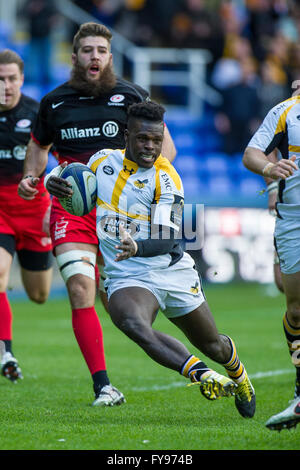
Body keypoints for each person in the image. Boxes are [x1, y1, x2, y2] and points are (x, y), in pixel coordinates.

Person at [18, 22, 176, 407]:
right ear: (74, 57)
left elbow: (166, 151)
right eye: (87, 50)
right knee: (78, 289)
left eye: (101, 51)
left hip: (119, 213)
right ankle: (103, 385)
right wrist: (30, 177)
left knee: (126, 311)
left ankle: (190, 362)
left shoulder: (131, 98)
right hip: (71, 209)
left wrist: (136, 189)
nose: (94, 57)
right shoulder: (53, 103)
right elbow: (39, 147)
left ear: (110, 56)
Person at [80, 100, 254, 417]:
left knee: (212, 344)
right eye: (143, 139)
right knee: (131, 322)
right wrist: (57, 184)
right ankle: (201, 374)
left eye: (156, 141)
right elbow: (73, 186)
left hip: (169, 270)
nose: (150, 147)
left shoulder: (167, 178)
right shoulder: (101, 161)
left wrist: (137, 247)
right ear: (126, 135)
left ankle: (237, 373)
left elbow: (167, 237)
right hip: (127, 276)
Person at [243, 94, 300, 430]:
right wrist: (269, 168)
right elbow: (250, 153)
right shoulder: (285, 112)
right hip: (293, 219)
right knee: (295, 310)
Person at [0, 49, 53, 382]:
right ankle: (6, 352)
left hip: (35, 215)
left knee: (39, 295)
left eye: (10, 79)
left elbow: (64, 162)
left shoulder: (39, 114)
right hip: (0, 213)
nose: (4, 86)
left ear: (21, 79)